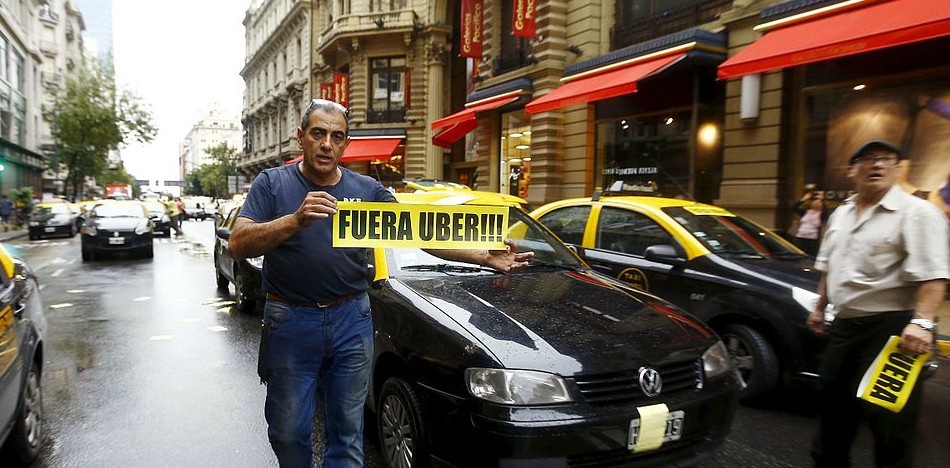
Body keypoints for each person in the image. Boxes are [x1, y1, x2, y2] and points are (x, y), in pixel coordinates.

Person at [228, 99, 532, 467]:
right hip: (290, 321)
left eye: (336, 137)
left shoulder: (367, 188)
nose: (327, 144)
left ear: (346, 144)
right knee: (288, 432)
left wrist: (484, 256)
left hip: (350, 319)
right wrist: (294, 220)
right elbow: (238, 242)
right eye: (318, 133)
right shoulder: (272, 183)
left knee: (347, 431)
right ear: (301, 138)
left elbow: (422, 232)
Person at [806, 140, 949, 467]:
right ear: (852, 170)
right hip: (844, 326)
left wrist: (923, 323)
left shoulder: (918, 213)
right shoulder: (841, 213)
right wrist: (819, 307)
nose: (878, 165)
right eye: (869, 159)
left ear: (898, 168)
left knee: (889, 421)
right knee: (832, 411)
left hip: (892, 332)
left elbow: (934, 275)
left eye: (887, 159)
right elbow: (829, 265)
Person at [791, 191, 829, 256]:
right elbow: (794, 208)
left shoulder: (821, 215)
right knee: (798, 255)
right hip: (800, 237)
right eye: (815, 201)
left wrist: (822, 199)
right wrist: (803, 199)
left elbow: (827, 211)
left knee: (811, 256)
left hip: (812, 239)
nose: (816, 203)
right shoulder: (806, 212)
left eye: (819, 202)